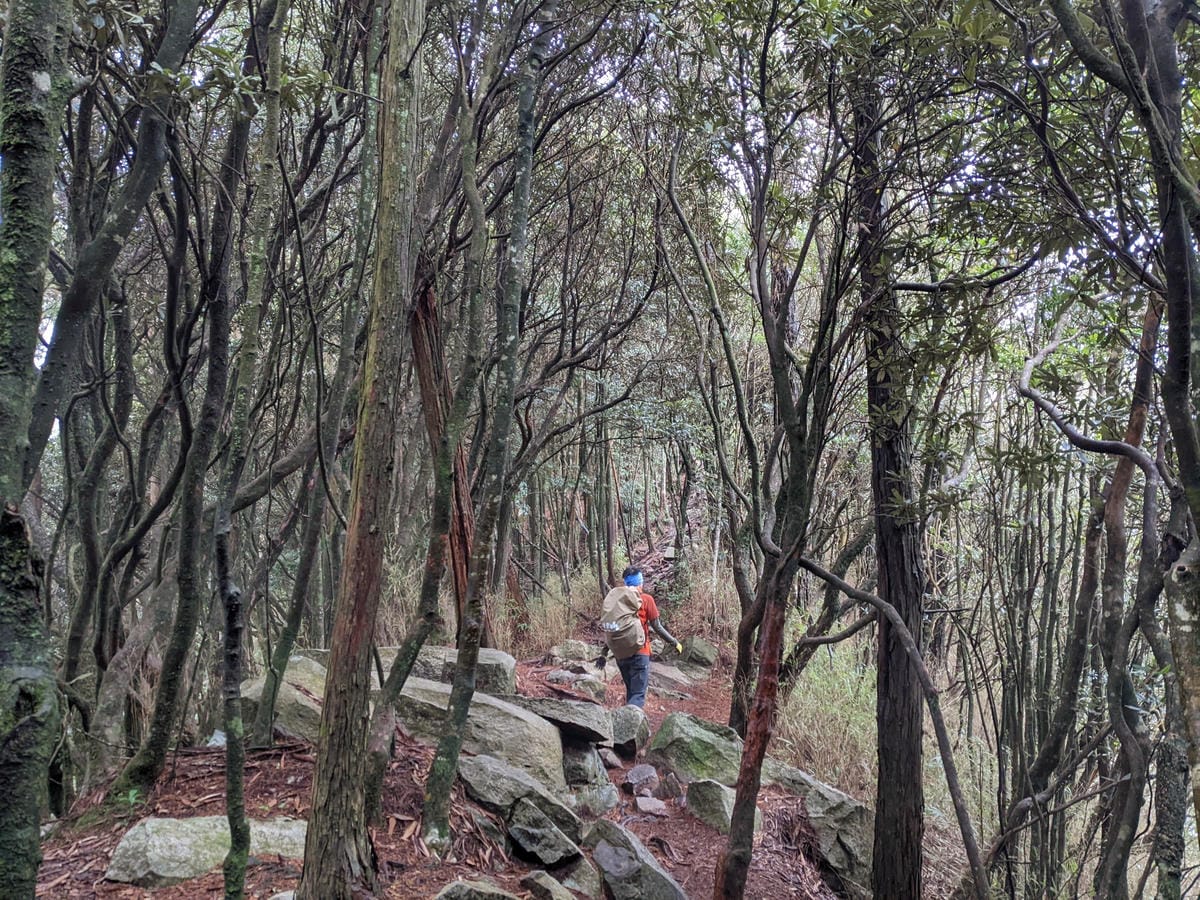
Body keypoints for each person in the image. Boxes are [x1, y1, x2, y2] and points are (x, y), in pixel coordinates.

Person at [596, 565, 682, 707]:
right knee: (638, 694)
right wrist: (674, 642)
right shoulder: (646, 600)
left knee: (631, 691)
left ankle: (627, 721)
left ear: (626, 583)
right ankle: (632, 725)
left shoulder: (618, 603)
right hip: (640, 652)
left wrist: (603, 654)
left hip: (620, 655)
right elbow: (658, 627)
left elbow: (615, 629)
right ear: (640, 582)